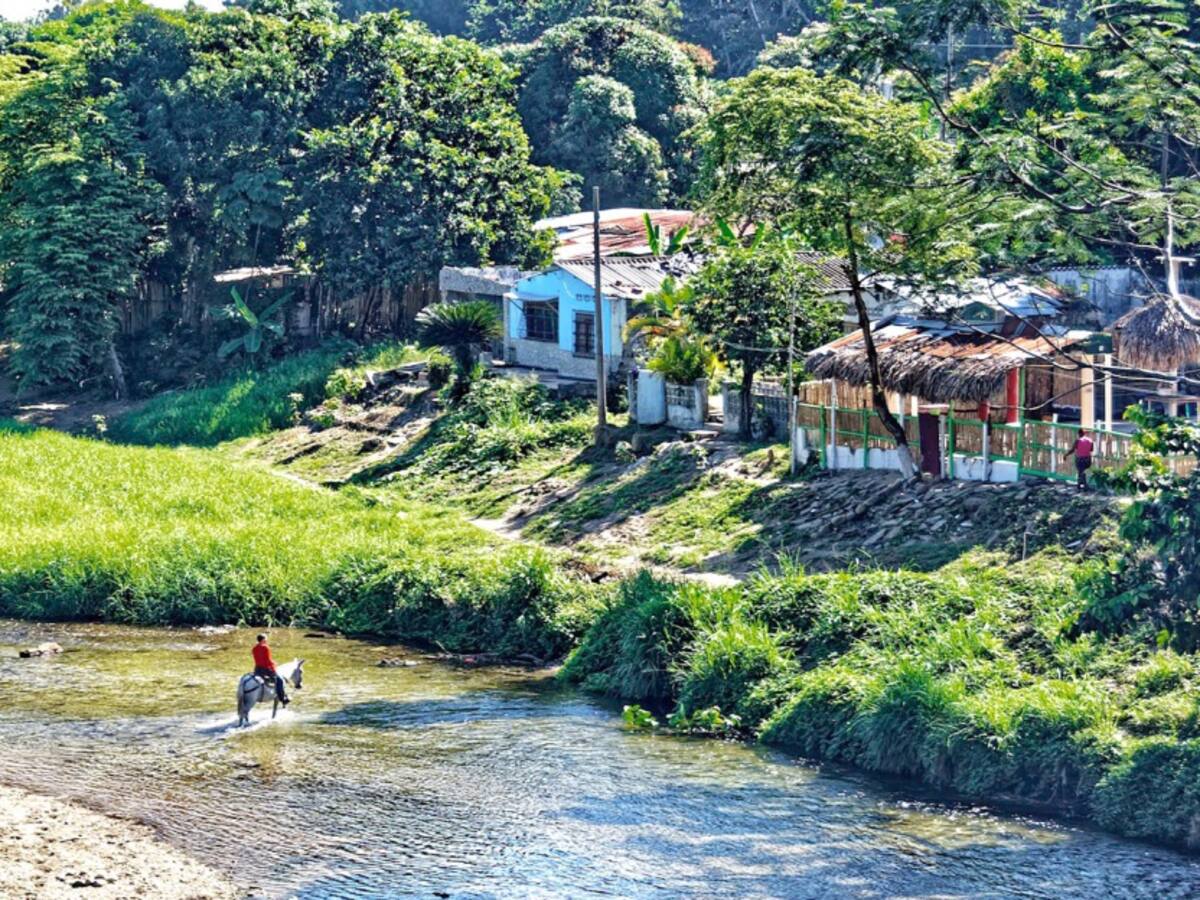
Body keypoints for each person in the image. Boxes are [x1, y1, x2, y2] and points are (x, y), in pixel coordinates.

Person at [252, 633, 288, 706]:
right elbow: (268, 660)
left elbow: (257, 659)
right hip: (266, 669)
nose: (266, 640)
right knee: (280, 680)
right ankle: (283, 699)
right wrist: (274, 666)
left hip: (258, 669)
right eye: (265, 639)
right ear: (263, 640)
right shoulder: (265, 647)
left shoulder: (254, 648)